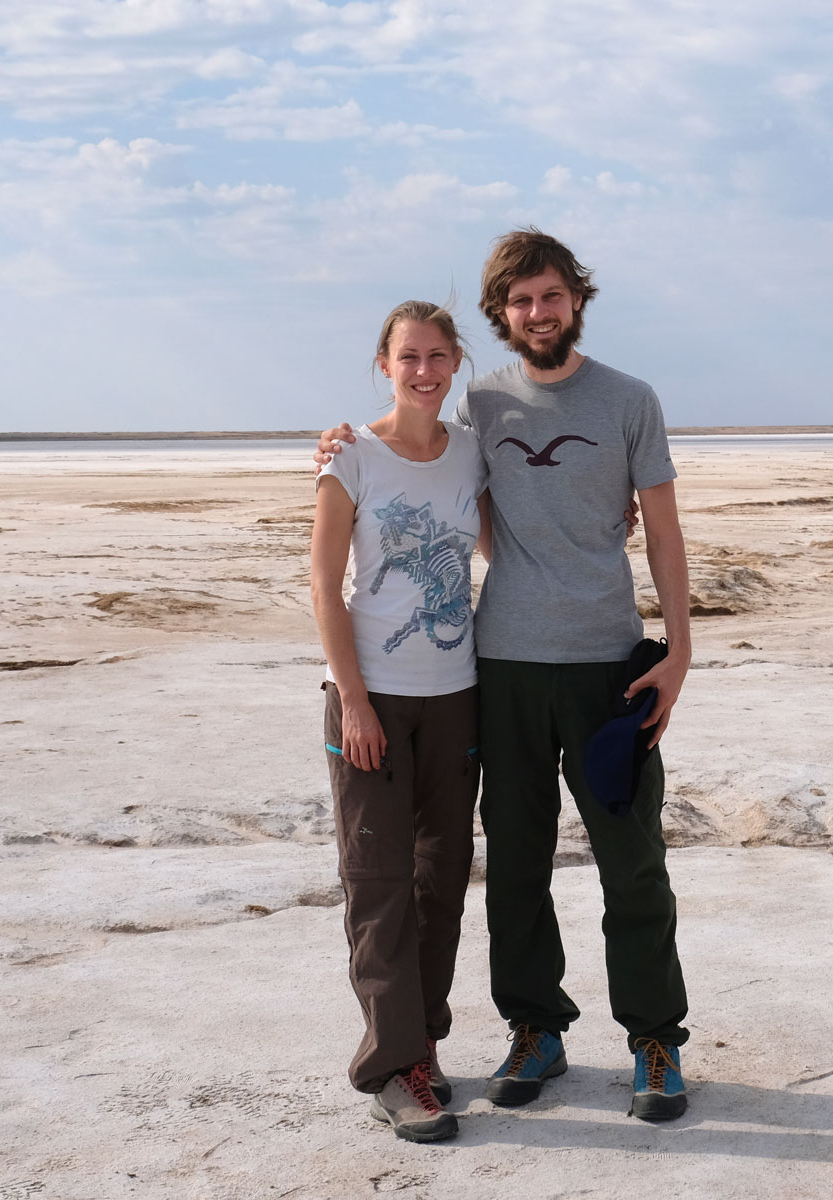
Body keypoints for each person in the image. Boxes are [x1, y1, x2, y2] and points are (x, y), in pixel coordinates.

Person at [316, 229, 694, 1122]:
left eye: (551, 296)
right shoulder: (477, 405)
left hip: (609, 668)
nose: (538, 313)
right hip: (503, 667)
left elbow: (665, 531)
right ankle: (537, 1028)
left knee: (631, 864)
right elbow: (407, 456)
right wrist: (337, 440)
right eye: (520, 302)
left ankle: (654, 1041)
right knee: (517, 865)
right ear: (502, 315)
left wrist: (679, 651)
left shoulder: (630, 400)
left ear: (576, 300)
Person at [309, 300, 486, 1143]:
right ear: (385, 362)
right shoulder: (351, 459)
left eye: (438, 356)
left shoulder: (473, 454)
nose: (424, 370)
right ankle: (389, 1067)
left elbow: (502, 539)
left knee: (441, 882)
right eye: (408, 356)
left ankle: (423, 1047)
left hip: (456, 695)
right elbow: (324, 586)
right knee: (378, 884)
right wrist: (353, 699)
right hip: (371, 698)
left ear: (457, 364)